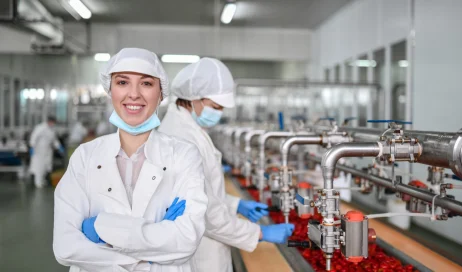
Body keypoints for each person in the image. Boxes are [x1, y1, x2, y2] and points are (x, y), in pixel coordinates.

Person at [53, 48, 208, 272]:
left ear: (161, 93)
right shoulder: (85, 157)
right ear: (110, 90)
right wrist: (151, 250)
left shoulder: (183, 155)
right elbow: (66, 247)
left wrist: (102, 229)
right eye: (123, 82)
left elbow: (187, 239)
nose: (133, 94)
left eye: (146, 83)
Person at [159, 58, 295, 272]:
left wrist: (235, 204)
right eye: (215, 107)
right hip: (199, 254)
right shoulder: (181, 137)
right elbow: (207, 214)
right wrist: (259, 233)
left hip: (206, 245)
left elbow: (201, 193)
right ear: (194, 99)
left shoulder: (187, 127)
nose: (219, 113)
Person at [29, 116, 64, 188]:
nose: (53, 124)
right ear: (49, 121)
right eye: (52, 122)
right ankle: (37, 182)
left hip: (48, 150)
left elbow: (54, 140)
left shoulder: (52, 129)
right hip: (39, 150)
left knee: (47, 165)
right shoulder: (41, 127)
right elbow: (34, 137)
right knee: (40, 166)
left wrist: (59, 146)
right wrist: (32, 146)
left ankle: (42, 180)